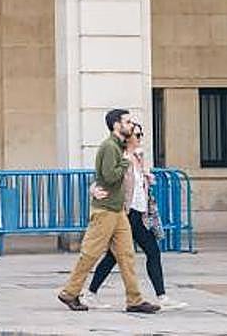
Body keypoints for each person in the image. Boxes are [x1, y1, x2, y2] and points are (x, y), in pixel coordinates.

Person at [57, 108, 160, 314]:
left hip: (118, 211)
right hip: (105, 211)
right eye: (127, 122)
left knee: (127, 255)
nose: (131, 125)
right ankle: (70, 292)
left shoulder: (120, 147)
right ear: (116, 125)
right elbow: (109, 176)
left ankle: (134, 299)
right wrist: (127, 159)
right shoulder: (109, 147)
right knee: (91, 253)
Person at [86, 122, 186, 310]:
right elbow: (103, 179)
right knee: (118, 255)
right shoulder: (121, 156)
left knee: (142, 253)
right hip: (125, 213)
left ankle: (160, 296)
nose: (140, 139)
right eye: (137, 135)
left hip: (139, 214)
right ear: (129, 137)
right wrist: (93, 190)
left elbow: (138, 185)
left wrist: (147, 179)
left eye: (142, 135)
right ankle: (91, 293)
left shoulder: (138, 157)